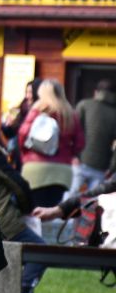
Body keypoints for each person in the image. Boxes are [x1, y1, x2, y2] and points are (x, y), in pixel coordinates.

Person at [0, 145, 49, 293]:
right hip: (3, 221)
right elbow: (20, 187)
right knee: (41, 251)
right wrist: (27, 209)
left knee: (2, 258)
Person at [17, 79, 85, 209]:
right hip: (62, 172)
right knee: (52, 212)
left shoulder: (37, 110)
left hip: (35, 169)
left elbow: (22, 135)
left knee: (34, 211)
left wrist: (26, 153)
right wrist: (68, 154)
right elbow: (79, 143)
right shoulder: (70, 113)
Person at [70, 79, 116, 196]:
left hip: (79, 161)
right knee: (93, 201)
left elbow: (72, 131)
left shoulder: (84, 105)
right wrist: (112, 168)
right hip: (102, 167)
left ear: (96, 92)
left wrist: (73, 156)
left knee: (72, 197)